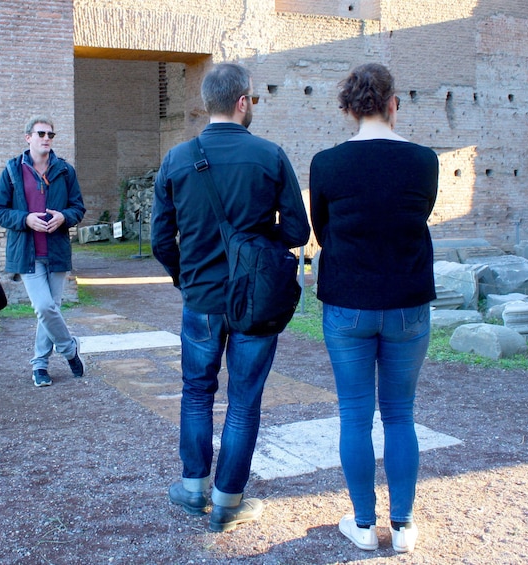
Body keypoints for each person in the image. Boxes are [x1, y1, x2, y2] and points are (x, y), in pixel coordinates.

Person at [151, 62, 310, 533]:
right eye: (253, 99)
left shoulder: (177, 159)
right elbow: (298, 231)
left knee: (196, 393)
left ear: (208, 102)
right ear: (243, 101)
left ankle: (194, 487)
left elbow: (161, 239)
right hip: (255, 300)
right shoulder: (270, 155)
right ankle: (227, 501)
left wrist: (185, 277)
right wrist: (258, 246)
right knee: (244, 401)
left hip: (201, 298)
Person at [309, 63, 438, 554]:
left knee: (354, 415)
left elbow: (324, 228)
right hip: (407, 301)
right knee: (400, 415)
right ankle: (403, 528)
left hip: (348, 302)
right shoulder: (424, 161)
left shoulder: (327, 163)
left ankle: (363, 524)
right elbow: (418, 214)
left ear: (348, 109)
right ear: (393, 103)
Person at [0, 116, 86, 387]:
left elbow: (78, 208)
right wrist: (25, 219)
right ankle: (70, 350)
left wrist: (64, 217)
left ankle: (40, 365)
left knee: (50, 309)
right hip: (26, 252)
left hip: (56, 251)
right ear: (28, 137)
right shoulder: (12, 170)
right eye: (41, 133)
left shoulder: (65, 171)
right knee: (44, 306)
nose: (46, 138)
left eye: (51, 135)